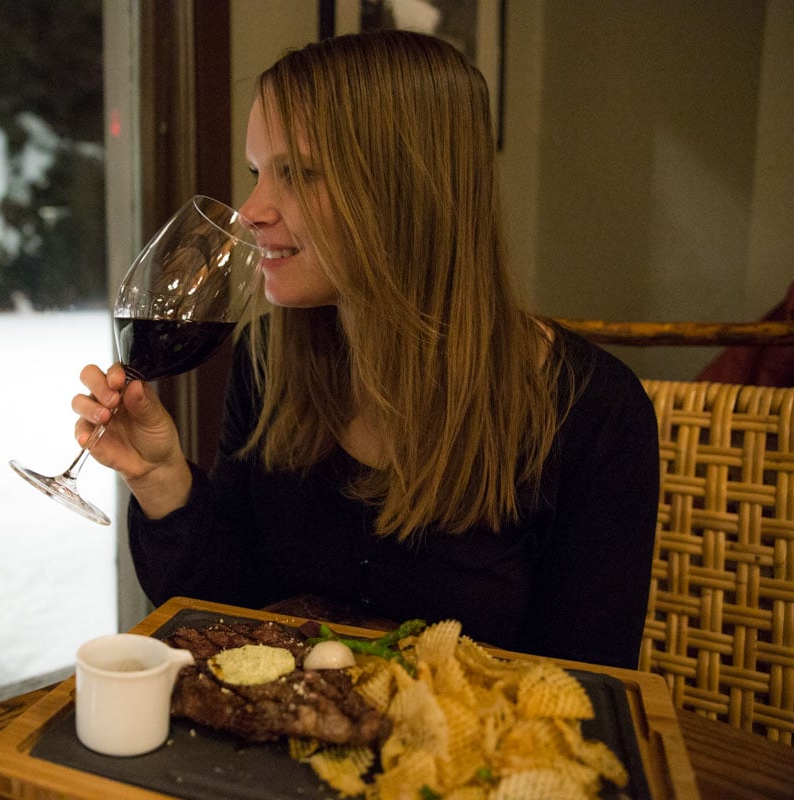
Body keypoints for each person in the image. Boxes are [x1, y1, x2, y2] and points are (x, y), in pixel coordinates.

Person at [73, 29, 659, 670]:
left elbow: (589, 693)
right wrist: (161, 478)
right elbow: (224, 619)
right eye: (257, 172)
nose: (250, 210)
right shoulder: (269, 360)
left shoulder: (594, 410)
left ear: (406, 185)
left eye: (296, 173)